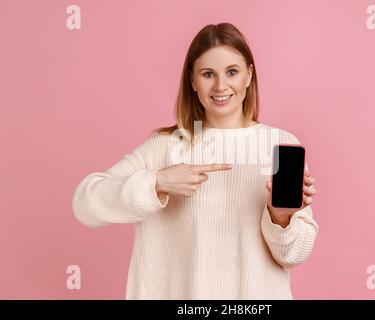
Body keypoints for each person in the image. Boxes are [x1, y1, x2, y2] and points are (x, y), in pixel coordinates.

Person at [72, 22, 318, 300]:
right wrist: (158, 183)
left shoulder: (280, 145)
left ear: (249, 75)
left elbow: (294, 255)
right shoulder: (165, 146)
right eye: (208, 74)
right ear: (192, 80)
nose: (221, 86)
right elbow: (85, 205)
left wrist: (280, 217)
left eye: (232, 72)